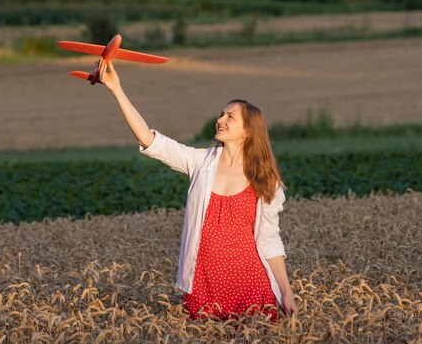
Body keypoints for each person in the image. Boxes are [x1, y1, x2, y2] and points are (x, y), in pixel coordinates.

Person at [95, 59, 298, 321]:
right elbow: (149, 139)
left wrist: (286, 291)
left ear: (247, 131)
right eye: (221, 114)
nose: (220, 119)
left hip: (251, 284)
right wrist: (116, 90)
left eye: (230, 116)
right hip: (204, 284)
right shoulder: (200, 162)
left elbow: (270, 240)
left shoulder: (265, 180)